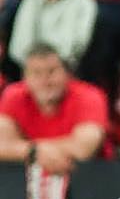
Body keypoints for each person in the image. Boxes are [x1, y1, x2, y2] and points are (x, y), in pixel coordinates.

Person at [0, 44, 106, 174]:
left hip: (88, 175)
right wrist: (35, 152)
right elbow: (2, 145)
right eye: (36, 73)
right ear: (24, 78)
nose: (45, 81)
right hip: (24, 178)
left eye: (52, 71)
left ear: (67, 74)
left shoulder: (89, 95)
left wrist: (29, 150)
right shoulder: (13, 95)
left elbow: (84, 148)